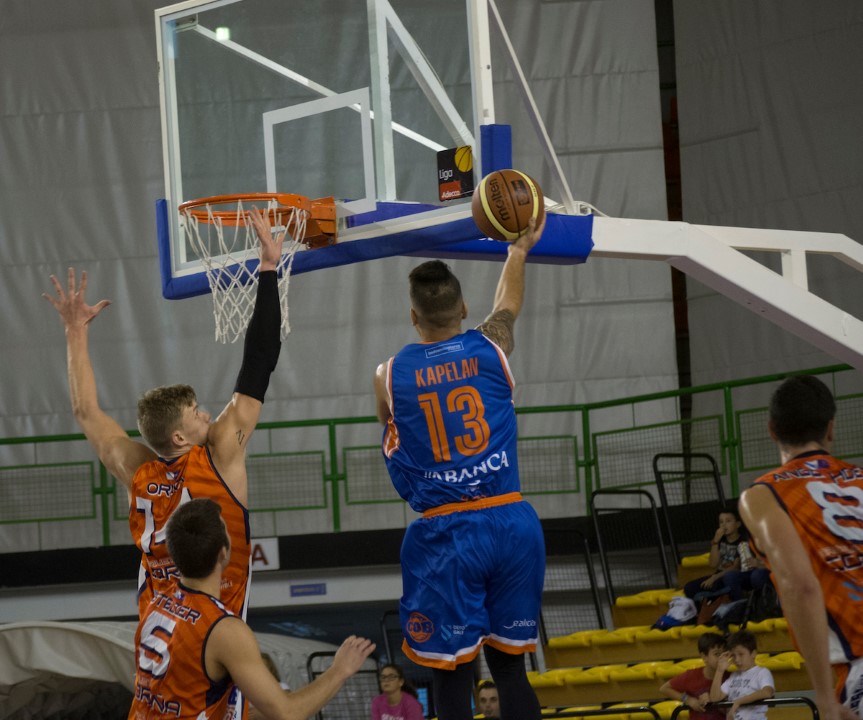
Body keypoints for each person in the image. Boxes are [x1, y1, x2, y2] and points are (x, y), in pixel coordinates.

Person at [43, 206, 285, 622]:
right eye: (196, 413)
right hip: (211, 636)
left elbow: (85, 411)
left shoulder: (136, 469)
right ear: (179, 437)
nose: (206, 415)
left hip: (157, 632)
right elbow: (259, 361)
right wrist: (267, 267)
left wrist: (74, 331)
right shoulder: (220, 453)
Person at [373, 218, 547, 720]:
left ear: (413, 316)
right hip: (511, 521)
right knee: (511, 671)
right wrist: (518, 251)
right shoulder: (492, 346)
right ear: (465, 308)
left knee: (450, 674)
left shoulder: (389, 374)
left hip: (447, 532)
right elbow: (507, 308)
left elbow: (393, 429)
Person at [129, 498, 375, 719]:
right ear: (223, 552)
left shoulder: (155, 605)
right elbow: (288, 712)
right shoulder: (224, 630)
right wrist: (339, 670)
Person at [739, 375, 863, 720]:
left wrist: (823, 697)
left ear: (771, 429)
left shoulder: (762, 495)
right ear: (831, 428)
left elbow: (800, 585)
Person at [659, 632, 728, 720]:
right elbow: (664, 688)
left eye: (724, 654)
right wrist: (688, 700)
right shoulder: (691, 676)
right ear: (704, 657)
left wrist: (714, 701)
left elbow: (732, 711)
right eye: (717, 654)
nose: (721, 658)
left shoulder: (730, 677)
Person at [708, 630, 774, 720]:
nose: (737, 660)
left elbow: (767, 692)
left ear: (753, 653)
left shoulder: (762, 672)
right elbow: (714, 698)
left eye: (741, 654)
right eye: (733, 656)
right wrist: (719, 670)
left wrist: (739, 701)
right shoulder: (733, 676)